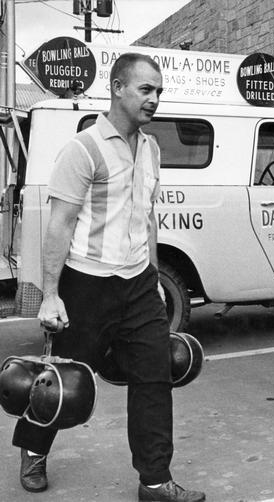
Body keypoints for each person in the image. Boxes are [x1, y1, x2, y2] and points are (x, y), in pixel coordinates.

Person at [13, 53, 206, 502]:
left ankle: (155, 481)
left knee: (155, 378)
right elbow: (59, 224)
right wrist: (52, 294)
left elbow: (148, 217)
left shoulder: (152, 148)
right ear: (117, 88)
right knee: (63, 382)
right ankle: (34, 449)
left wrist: (155, 277)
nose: (155, 99)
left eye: (159, 91)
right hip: (87, 285)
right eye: (146, 89)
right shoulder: (84, 149)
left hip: (138, 285)